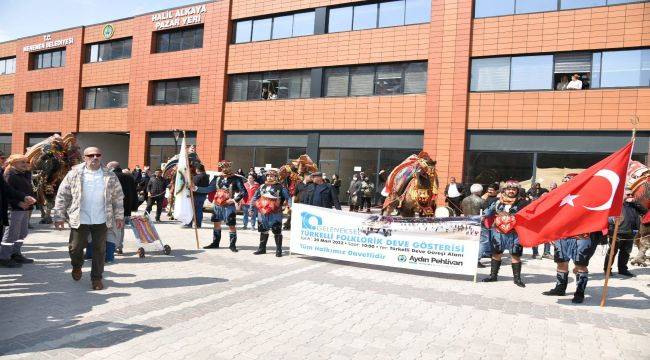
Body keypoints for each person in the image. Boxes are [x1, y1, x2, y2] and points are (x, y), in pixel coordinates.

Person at [53, 147, 124, 291]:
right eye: (91, 155)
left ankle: (96, 278)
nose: (95, 157)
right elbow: (62, 196)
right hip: (80, 218)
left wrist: (119, 216)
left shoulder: (110, 175)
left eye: (98, 155)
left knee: (99, 250)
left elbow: (118, 197)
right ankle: (77, 266)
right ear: (84, 157)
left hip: (102, 219)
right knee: (75, 248)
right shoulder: (74, 174)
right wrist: (59, 216)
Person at [482, 180, 529, 287]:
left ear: (517, 190)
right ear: (504, 190)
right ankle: (493, 276)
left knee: (515, 255)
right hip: (499, 232)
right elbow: (487, 213)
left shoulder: (523, 203)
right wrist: (479, 217)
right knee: (496, 254)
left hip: (515, 233)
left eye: (514, 189)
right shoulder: (496, 201)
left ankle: (517, 279)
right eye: (509, 189)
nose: (511, 191)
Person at [195, 160, 246, 251]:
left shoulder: (236, 179)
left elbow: (243, 192)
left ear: (230, 167)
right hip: (217, 205)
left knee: (231, 225)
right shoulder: (217, 178)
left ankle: (232, 244)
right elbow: (209, 189)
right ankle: (215, 243)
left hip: (228, 205)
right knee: (216, 223)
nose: (224, 168)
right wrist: (195, 188)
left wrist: (234, 200)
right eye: (222, 167)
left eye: (226, 166)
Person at [0, 155, 37, 267]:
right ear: (14, 163)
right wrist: (18, 203)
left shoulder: (24, 173)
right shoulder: (10, 175)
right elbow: (6, 193)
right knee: (11, 234)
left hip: (25, 209)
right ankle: (4, 257)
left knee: (22, 233)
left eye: (26, 162)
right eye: (22, 162)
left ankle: (16, 253)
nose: (26, 164)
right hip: (14, 209)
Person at [603, 189, 645, 277]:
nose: (630, 196)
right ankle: (607, 269)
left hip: (630, 232)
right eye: (628, 194)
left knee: (626, 252)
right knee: (612, 251)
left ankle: (623, 269)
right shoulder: (616, 204)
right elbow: (608, 217)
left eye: (632, 194)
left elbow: (644, 211)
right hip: (617, 232)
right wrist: (611, 227)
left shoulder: (634, 205)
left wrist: (635, 202)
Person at [250, 169, 291, 257]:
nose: (269, 177)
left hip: (275, 213)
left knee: (276, 230)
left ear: (276, 177)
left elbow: (288, 198)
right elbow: (255, 197)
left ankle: (279, 250)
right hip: (262, 212)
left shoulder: (281, 187)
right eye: (268, 176)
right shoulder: (261, 186)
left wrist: (291, 206)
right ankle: (262, 249)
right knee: (263, 230)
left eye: (272, 176)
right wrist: (251, 208)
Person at [105, 161, 138, 256]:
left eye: (108, 167)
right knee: (121, 227)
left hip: (113, 206)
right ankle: (119, 247)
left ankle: (113, 247)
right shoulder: (129, 176)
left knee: (111, 228)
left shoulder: (111, 176)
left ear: (112, 167)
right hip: (126, 207)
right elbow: (134, 192)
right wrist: (134, 206)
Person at [187, 164, 210, 228]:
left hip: (195, 195)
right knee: (199, 210)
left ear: (197, 169)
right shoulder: (206, 176)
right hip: (203, 196)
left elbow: (192, 186)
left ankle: (189, 224)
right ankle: (198, 224)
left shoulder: (197, 177)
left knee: (192, 210)